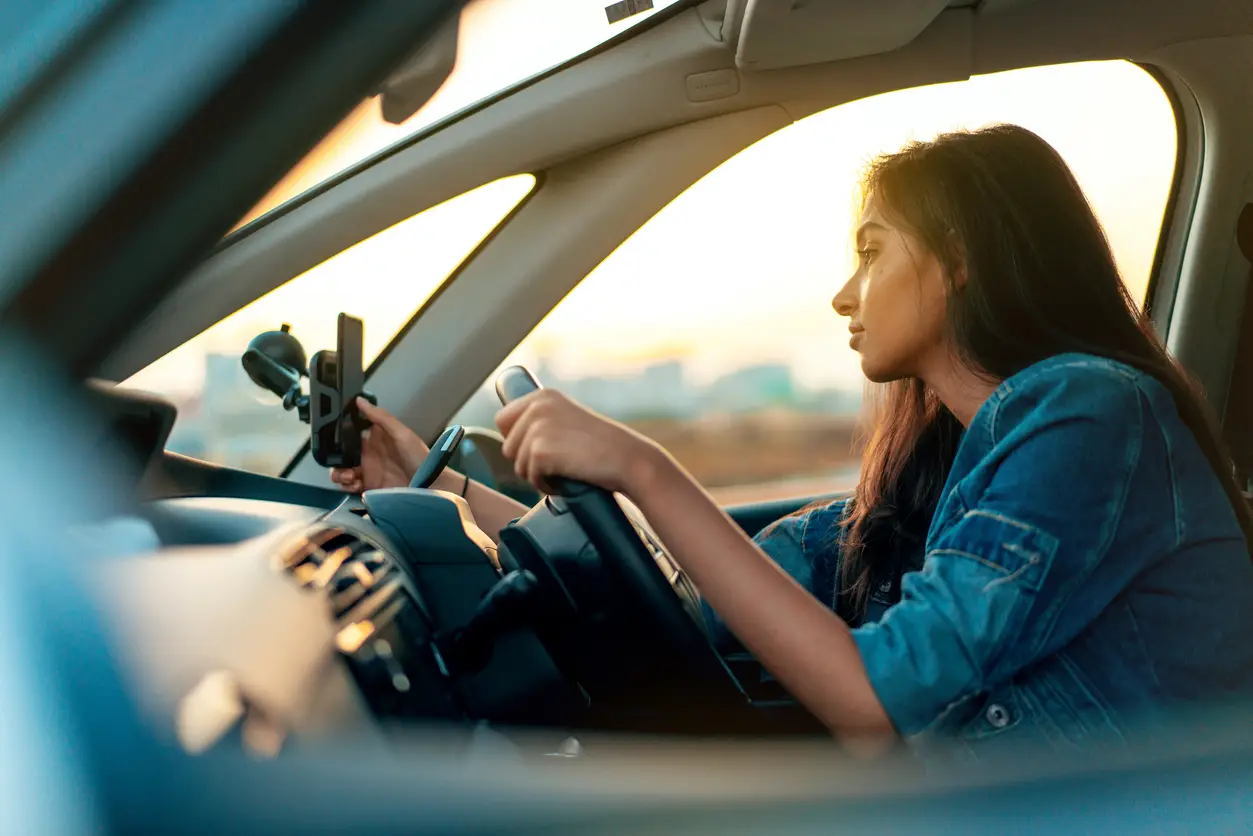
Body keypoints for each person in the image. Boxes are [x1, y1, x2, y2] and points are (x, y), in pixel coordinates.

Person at [333, 124, 1253, 760]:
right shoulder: (945, 471)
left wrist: (643, 468)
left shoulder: (1088, 415)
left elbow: (878, 708)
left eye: (871, 250)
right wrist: (444, 493)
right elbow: (688, 586)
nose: (844, 295)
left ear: (962, 255)